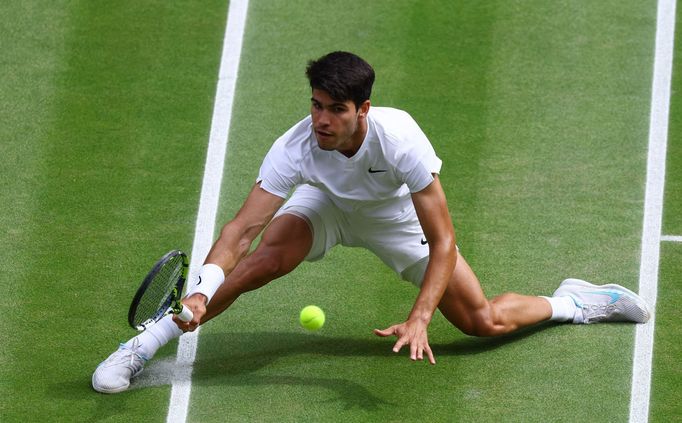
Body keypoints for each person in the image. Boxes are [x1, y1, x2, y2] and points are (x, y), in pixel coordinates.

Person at [92, 51, 650, 394]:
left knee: (482, 322)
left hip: (394, 217)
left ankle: (575, 301)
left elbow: (444, 239)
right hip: (326, 206)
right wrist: (200, 294)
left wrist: (420, 316)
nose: (321, 120)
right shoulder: (295, 148)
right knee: (262, 260)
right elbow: (240, 231)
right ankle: (147, 342)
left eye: (335, 109)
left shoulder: (401, 138)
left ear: (363, 108)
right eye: (316, 105)